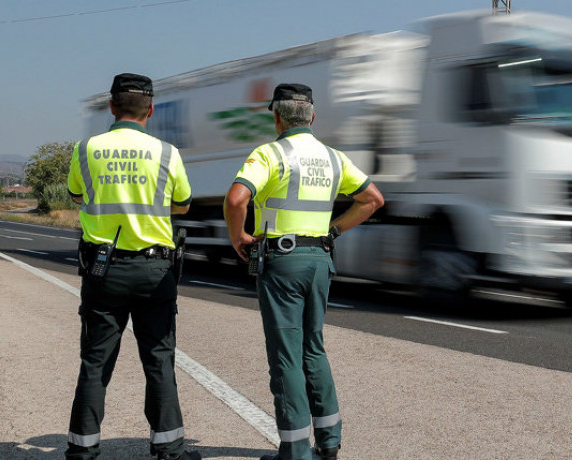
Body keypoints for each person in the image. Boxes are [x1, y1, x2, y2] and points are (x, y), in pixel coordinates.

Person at [223, 83, 384, 460]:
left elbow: (236, 199)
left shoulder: (269, 153)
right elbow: (373, 199)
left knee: (286, 355)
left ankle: (295, 450)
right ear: (312, 116)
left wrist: (238, 236)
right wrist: (335, 230)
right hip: (319, 261)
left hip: (282, 263)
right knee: (314, 348)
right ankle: (328, 443)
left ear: (276, 117)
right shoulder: (333, 158)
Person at [66, 73, 201, 460]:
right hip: (154, 271)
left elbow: (78, 195)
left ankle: (82, 451)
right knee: (159, 358)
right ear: (151, 110)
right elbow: (184, 203)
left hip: (102, 269)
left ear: (111, 107)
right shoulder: (166, 152)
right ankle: (169, 449)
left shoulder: (86, 149)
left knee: (95, 362)